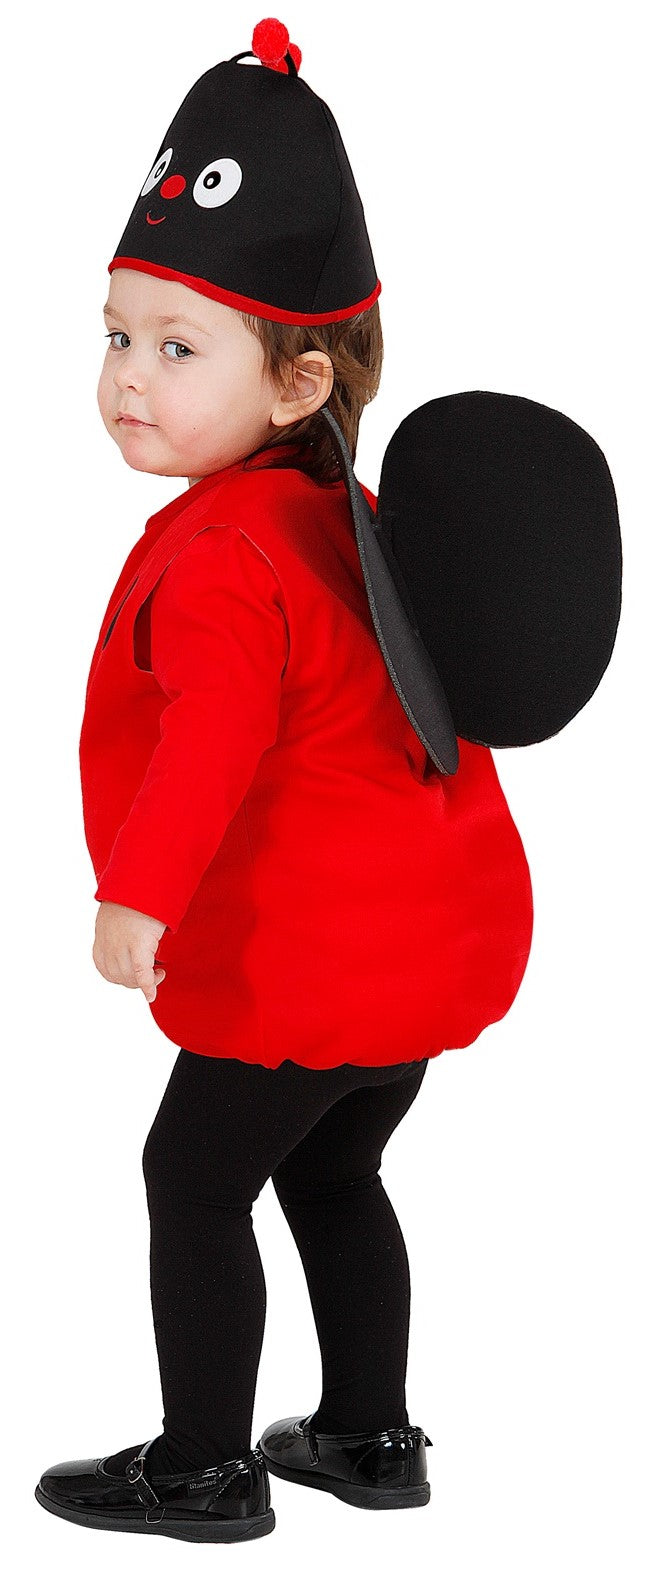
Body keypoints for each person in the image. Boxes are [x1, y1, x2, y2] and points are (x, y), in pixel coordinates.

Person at [34, 18, 534, 1543]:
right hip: (424, 952)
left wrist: (136, 898)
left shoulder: (226, 556)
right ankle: (369, 1438)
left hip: (307, 966)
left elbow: (213, 737)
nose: (128, 379)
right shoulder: (341, 513)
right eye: (116, 336)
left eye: (177, 348)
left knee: (190, 1183)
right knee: (330, 1175)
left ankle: (202, 1466)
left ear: (301, 377)